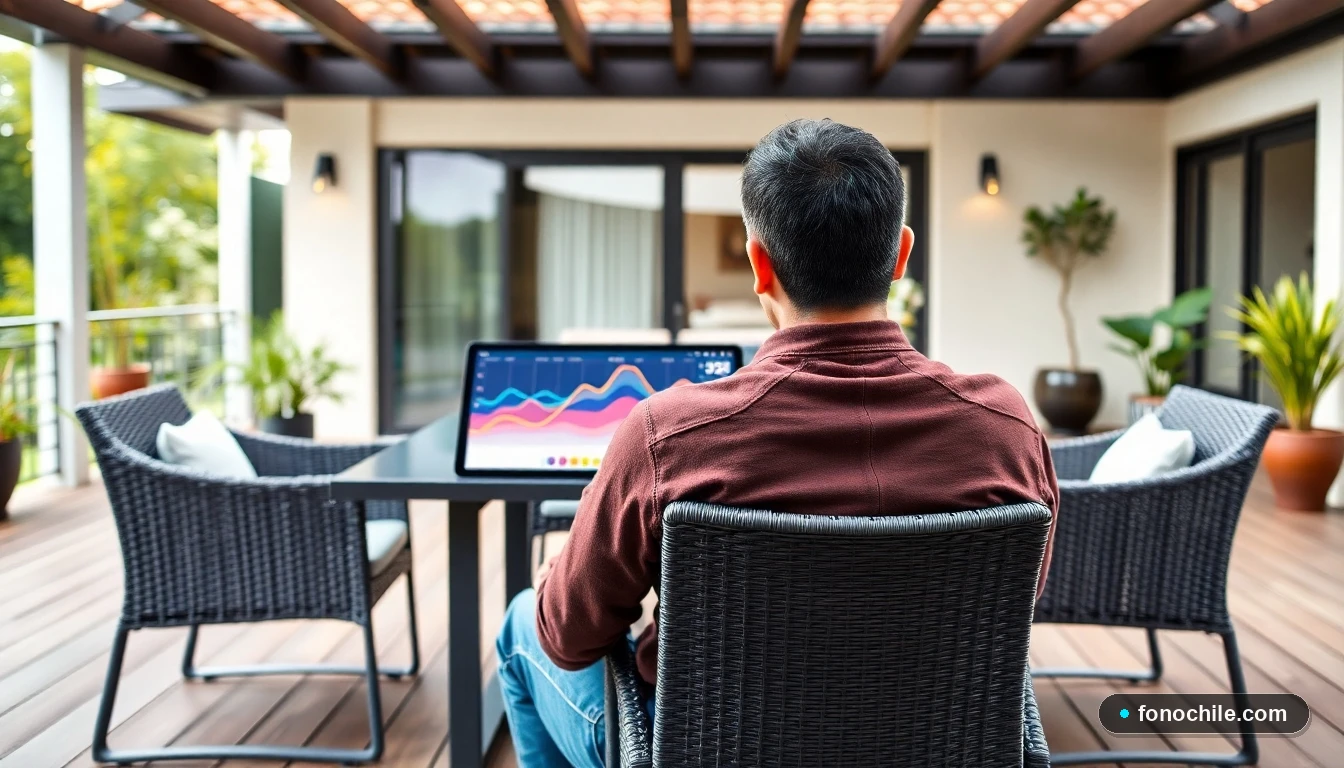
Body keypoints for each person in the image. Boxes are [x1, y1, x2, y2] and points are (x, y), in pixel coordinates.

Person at [496, 118, 1059, 768]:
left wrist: (559, 574)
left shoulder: (668, 436)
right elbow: (1018, 600)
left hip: (704, 750)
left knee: (522, 625)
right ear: (901, 255)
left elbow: (568, 639)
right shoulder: (1005, 428)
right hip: (936, 745)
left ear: (759, 265)